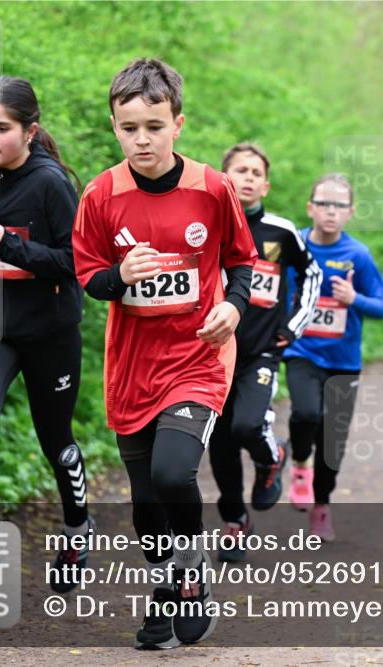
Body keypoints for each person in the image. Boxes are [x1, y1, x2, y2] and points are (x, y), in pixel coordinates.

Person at [73, 59, 257, 649]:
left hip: (198, 357)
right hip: (132, 366)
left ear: (178, 122)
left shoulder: (211, 188)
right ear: (114, 125)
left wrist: (233, 304)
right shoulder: (101, 194)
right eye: (129, 128)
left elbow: (240, 259)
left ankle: (192, 578)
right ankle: (168, 585)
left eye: (154, 126)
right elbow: (87, 277)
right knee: (146, 507)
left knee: (172, 471)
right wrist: (118, 276)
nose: (141, 139)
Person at [0, 76, 92, 593]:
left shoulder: (51, 185)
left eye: (0, 128)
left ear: (29, 130)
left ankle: (77, 528)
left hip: (50, 333)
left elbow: (76, 264)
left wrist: (10, 246)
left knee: (56, 442)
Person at [210, 143, 321, 563]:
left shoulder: (281, 231)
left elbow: (312, 274)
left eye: (257, 172)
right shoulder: (208, 226)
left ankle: (271, 457)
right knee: (219, 444)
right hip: (214, 353)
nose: (249, 178)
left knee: (246, 426)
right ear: (225, 179)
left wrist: (292, 327)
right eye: (241, 170)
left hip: (260, 352)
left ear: (267, 185)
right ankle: (235, 521)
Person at [284, 173, 383, 541]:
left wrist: (354, 299)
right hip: (302, 350)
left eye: (339, 205)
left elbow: (381, 306)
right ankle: (298, 465)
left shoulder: (357, 255)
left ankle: (322, 506)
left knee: (332, 439)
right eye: (323, 203)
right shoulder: (292, 244)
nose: (330, 211)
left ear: (350, 213)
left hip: (344, 361)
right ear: (310, 207)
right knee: (307, 413)